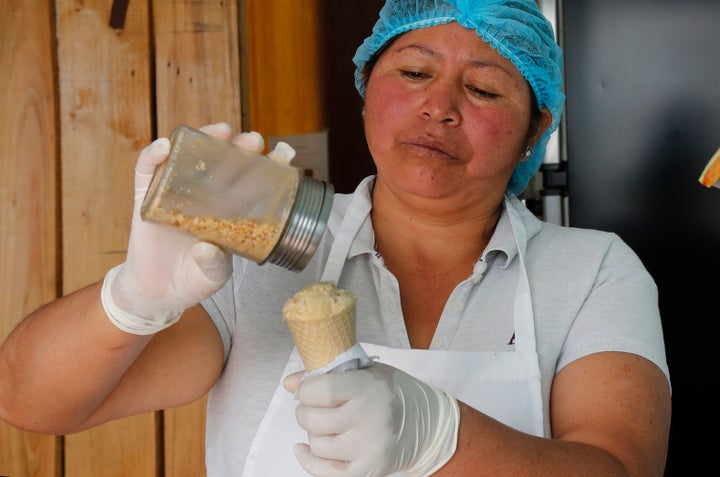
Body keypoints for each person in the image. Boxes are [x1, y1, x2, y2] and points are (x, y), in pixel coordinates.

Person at [0, 0, 672, 476]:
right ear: (366, 88)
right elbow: (29, 402)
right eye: (413, 72)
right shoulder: (259, 256)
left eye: (484, 89)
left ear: (535, 128)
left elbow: (618, 466)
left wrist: (439, 436)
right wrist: (134, 296)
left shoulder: (594, 271)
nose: (440, 105)